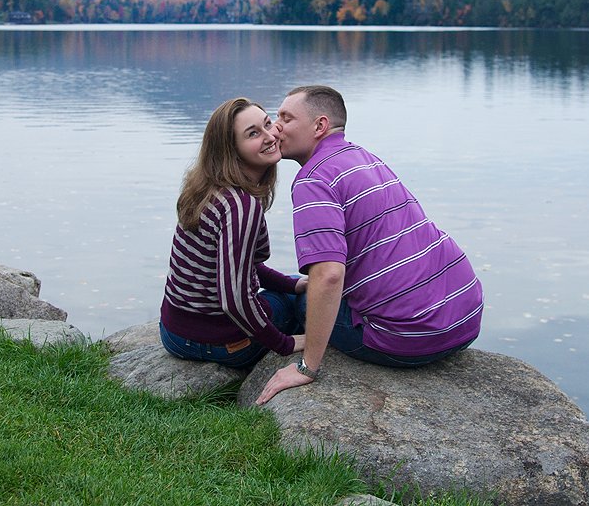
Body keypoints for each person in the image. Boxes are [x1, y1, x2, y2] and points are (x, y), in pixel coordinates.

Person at [256, 85, 483, 404]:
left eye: (286, 118)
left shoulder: (314, 180)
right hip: (465, 316)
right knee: (304, 288)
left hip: (411, 336)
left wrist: (308, 367)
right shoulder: (363, 157)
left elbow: (329, 276)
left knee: (302, 299)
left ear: (319, 126)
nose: (275, 125)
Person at [159, 97, 307, 368]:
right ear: (231, 150)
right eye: (253, 133)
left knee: (297, 284)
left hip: (173, 332)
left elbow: (232, 267)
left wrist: (290, 284)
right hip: (220, 343)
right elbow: (235, 299)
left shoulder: (205, 188)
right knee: (307, 302)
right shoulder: (240, 206)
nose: (269, 136)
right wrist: (285, 344)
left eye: (267, 124)